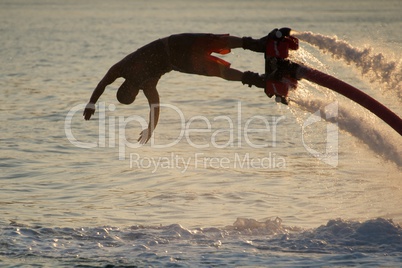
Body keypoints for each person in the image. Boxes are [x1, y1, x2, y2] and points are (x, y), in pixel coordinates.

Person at [83, 32, 282, 144]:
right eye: (132, 95)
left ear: (126, 88)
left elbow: (104, 84)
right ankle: (260, 55)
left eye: (129, 93)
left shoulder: (129, 73)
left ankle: (259, 75)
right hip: (173, 48)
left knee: (215, 60)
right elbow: (154, 107)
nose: (133, 91)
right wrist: (91, 103)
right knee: (214, 52)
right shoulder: (137, 78)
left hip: (174, 51)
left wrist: (150, 129)